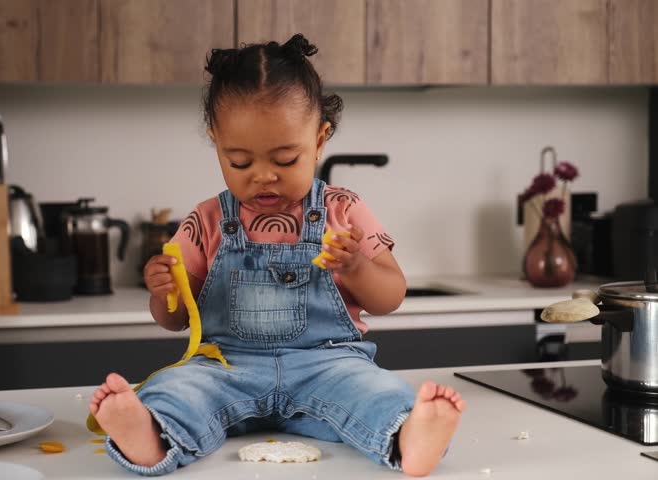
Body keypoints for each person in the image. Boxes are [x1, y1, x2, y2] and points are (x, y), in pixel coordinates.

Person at [90, 34, 465, 477]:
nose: (263, 177)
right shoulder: (206, 219)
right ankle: (150, 434)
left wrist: (357, 267)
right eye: (240, 162)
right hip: (226, 368)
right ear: (217, 144)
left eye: (286, 159)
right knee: (180, 387)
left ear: (320, 139)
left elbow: (391, 296)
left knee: (374, 390)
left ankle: (410, 437)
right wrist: (165, 291)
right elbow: (174, 319)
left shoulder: (342, 210)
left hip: (329, 364)